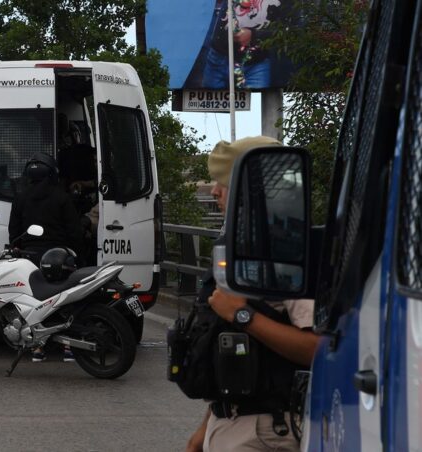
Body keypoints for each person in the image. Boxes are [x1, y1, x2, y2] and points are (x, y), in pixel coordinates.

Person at [179, 136, 319, 452]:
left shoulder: (288, 255)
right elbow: (229, 349)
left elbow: (318, 350)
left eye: (223, 182)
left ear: (249, 189)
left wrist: (243, 315)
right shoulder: (240, 250)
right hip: (229, 423)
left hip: (265, 430)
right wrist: (205, 429)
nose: (214, 191)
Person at [8, 152, 83, 362]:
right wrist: (75, 254)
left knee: (32, 301)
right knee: (65, 300)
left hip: (29, 258)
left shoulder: (21, 198)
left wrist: (18, 250)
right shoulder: (62, 198)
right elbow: (74, 232)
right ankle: (68, 345)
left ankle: (37, 347)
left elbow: (14, 233)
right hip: (60, 257)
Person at [199, 0, 290, 89]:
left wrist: (253, 35)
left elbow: (290, 31)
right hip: (219, 59)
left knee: (254, 103)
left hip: (255, 65)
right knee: (211, 102)